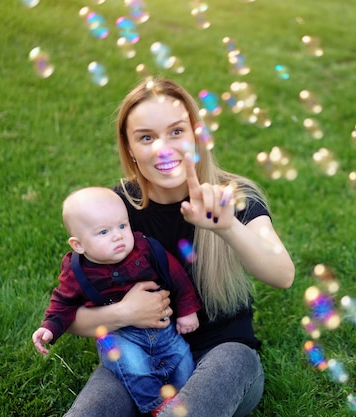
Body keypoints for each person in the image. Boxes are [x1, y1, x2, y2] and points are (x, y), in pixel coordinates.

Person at [62, 77, 295, 417]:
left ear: (196, 136)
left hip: (225, 357)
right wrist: (123, 313)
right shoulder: (116, 209)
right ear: (129, 148)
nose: (163, 148)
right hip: (143, 356)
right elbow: (70, 315)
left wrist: (228, 227)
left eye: (176, 132)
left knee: (213, 380)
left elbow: (283, 275)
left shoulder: (231, 196)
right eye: (146, 137)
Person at [32, 186, 201, 417]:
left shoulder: (146, 249)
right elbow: (62, 303)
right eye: (103, 232)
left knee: (182, 360)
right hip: (120, 336)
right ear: (78, 245)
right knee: (134, 366)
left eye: (122, 226)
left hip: (163, 329)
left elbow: (177, 277)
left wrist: (187, 310)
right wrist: (48, 328)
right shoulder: (77, 272)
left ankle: (185, 399)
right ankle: (156, 405)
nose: (118, 235)